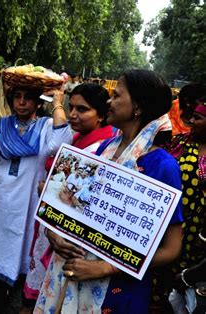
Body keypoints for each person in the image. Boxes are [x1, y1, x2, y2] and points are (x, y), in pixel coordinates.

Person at [35, 69, 183, 313]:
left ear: (138, 107)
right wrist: (55, 236)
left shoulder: (162, 166)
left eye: (116, 96)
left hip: (116, 293)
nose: (108, 102)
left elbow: (171, 249)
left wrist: (105, 267)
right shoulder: (104, 148)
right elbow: (68, 207)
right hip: (68, 272)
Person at [0, 73, 72, 312]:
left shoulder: (46, 126)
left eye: (27, 98)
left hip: (29, 199)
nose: (21, 102)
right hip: (0, 199)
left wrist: (58, 102)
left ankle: (19, 298)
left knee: (24, 249)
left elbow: (63, 143)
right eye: (16, 97)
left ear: (38, 102)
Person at [23, 84, 115, 312]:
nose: (73, 114)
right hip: (51, 224)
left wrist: (51, 189)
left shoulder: (101, 150)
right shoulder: (75, 138)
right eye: (71, 107)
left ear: (102, 115)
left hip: (69, 237)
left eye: (82, 110)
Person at [151, 92, 205, 312]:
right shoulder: (178, 144)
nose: (192, 121)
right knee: (160, 280)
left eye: (199, 118)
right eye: (193, 116)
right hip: (171, 226)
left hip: (199, 237)